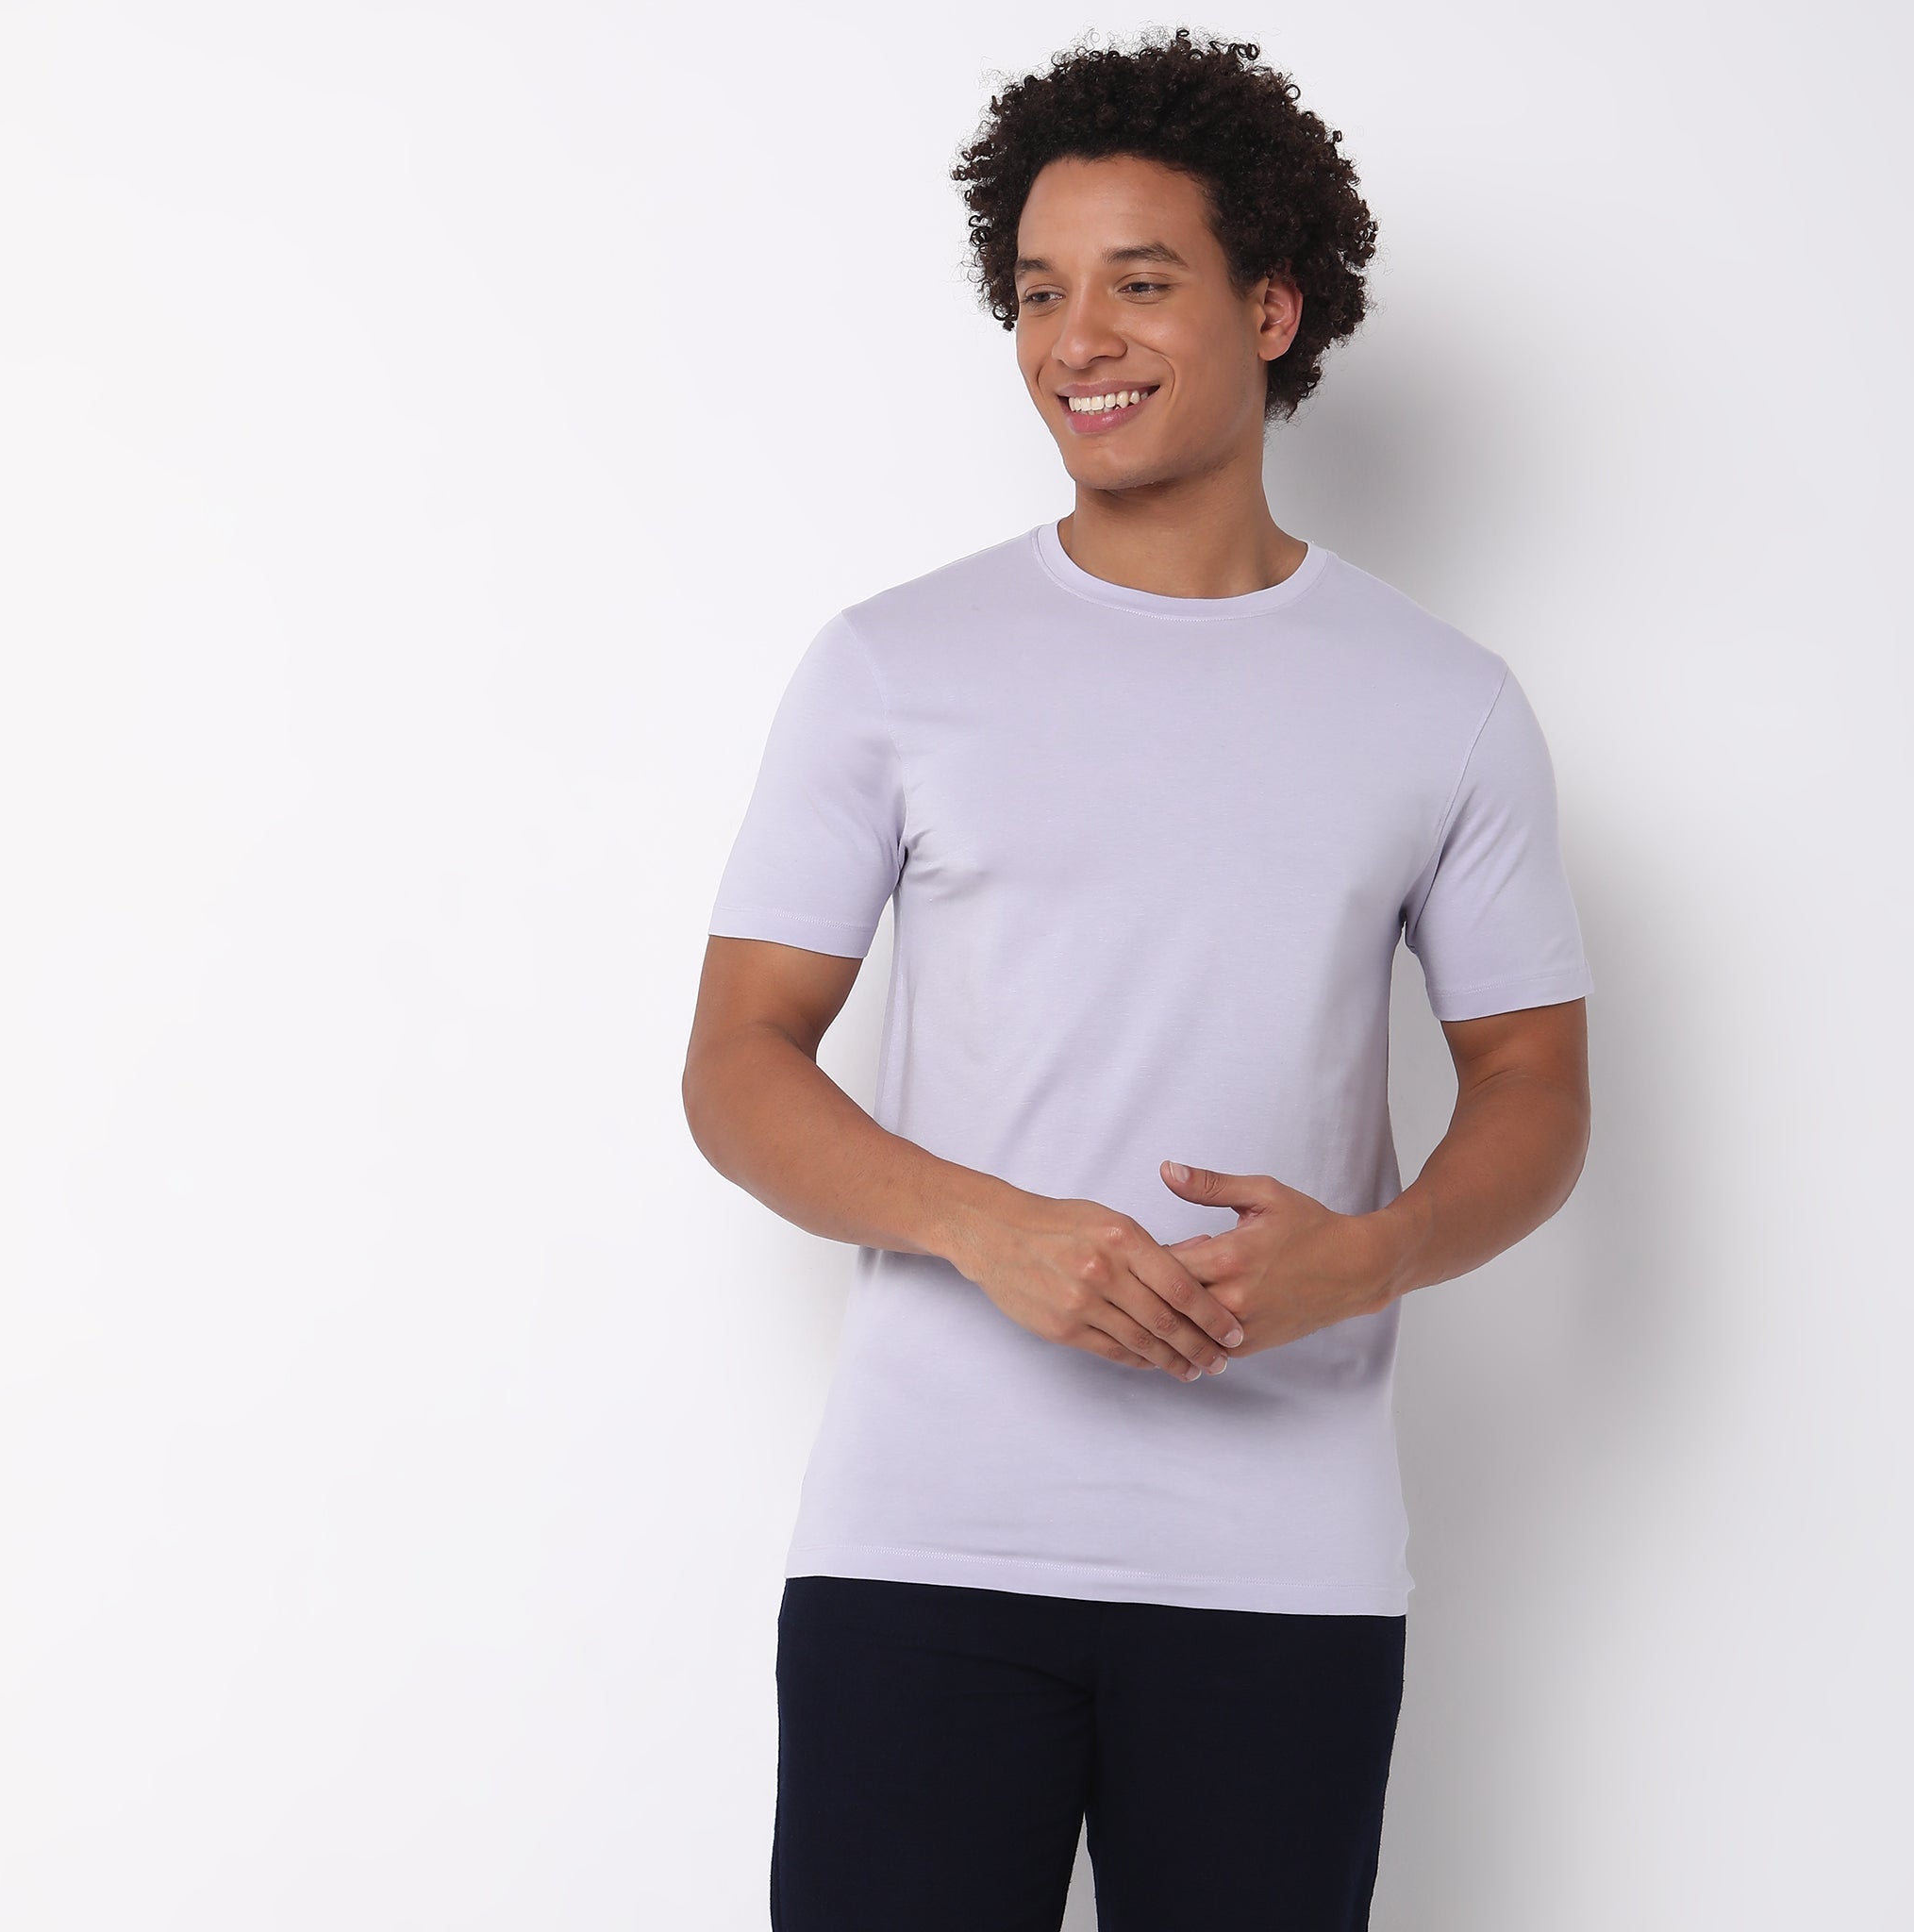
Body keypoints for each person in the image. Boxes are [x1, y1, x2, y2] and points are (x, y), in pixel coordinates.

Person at [681, 27, 1593, 1931]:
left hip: (1281, 1572)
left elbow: (1533, 1090)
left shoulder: (1441, 702)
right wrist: (983, 1225)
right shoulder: (892, 666)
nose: (1074, 340)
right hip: (924, 1553)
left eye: (1138, 283)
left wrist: (1369, 1254)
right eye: (1037, 291)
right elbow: (738, 1062)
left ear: (1271, 308)